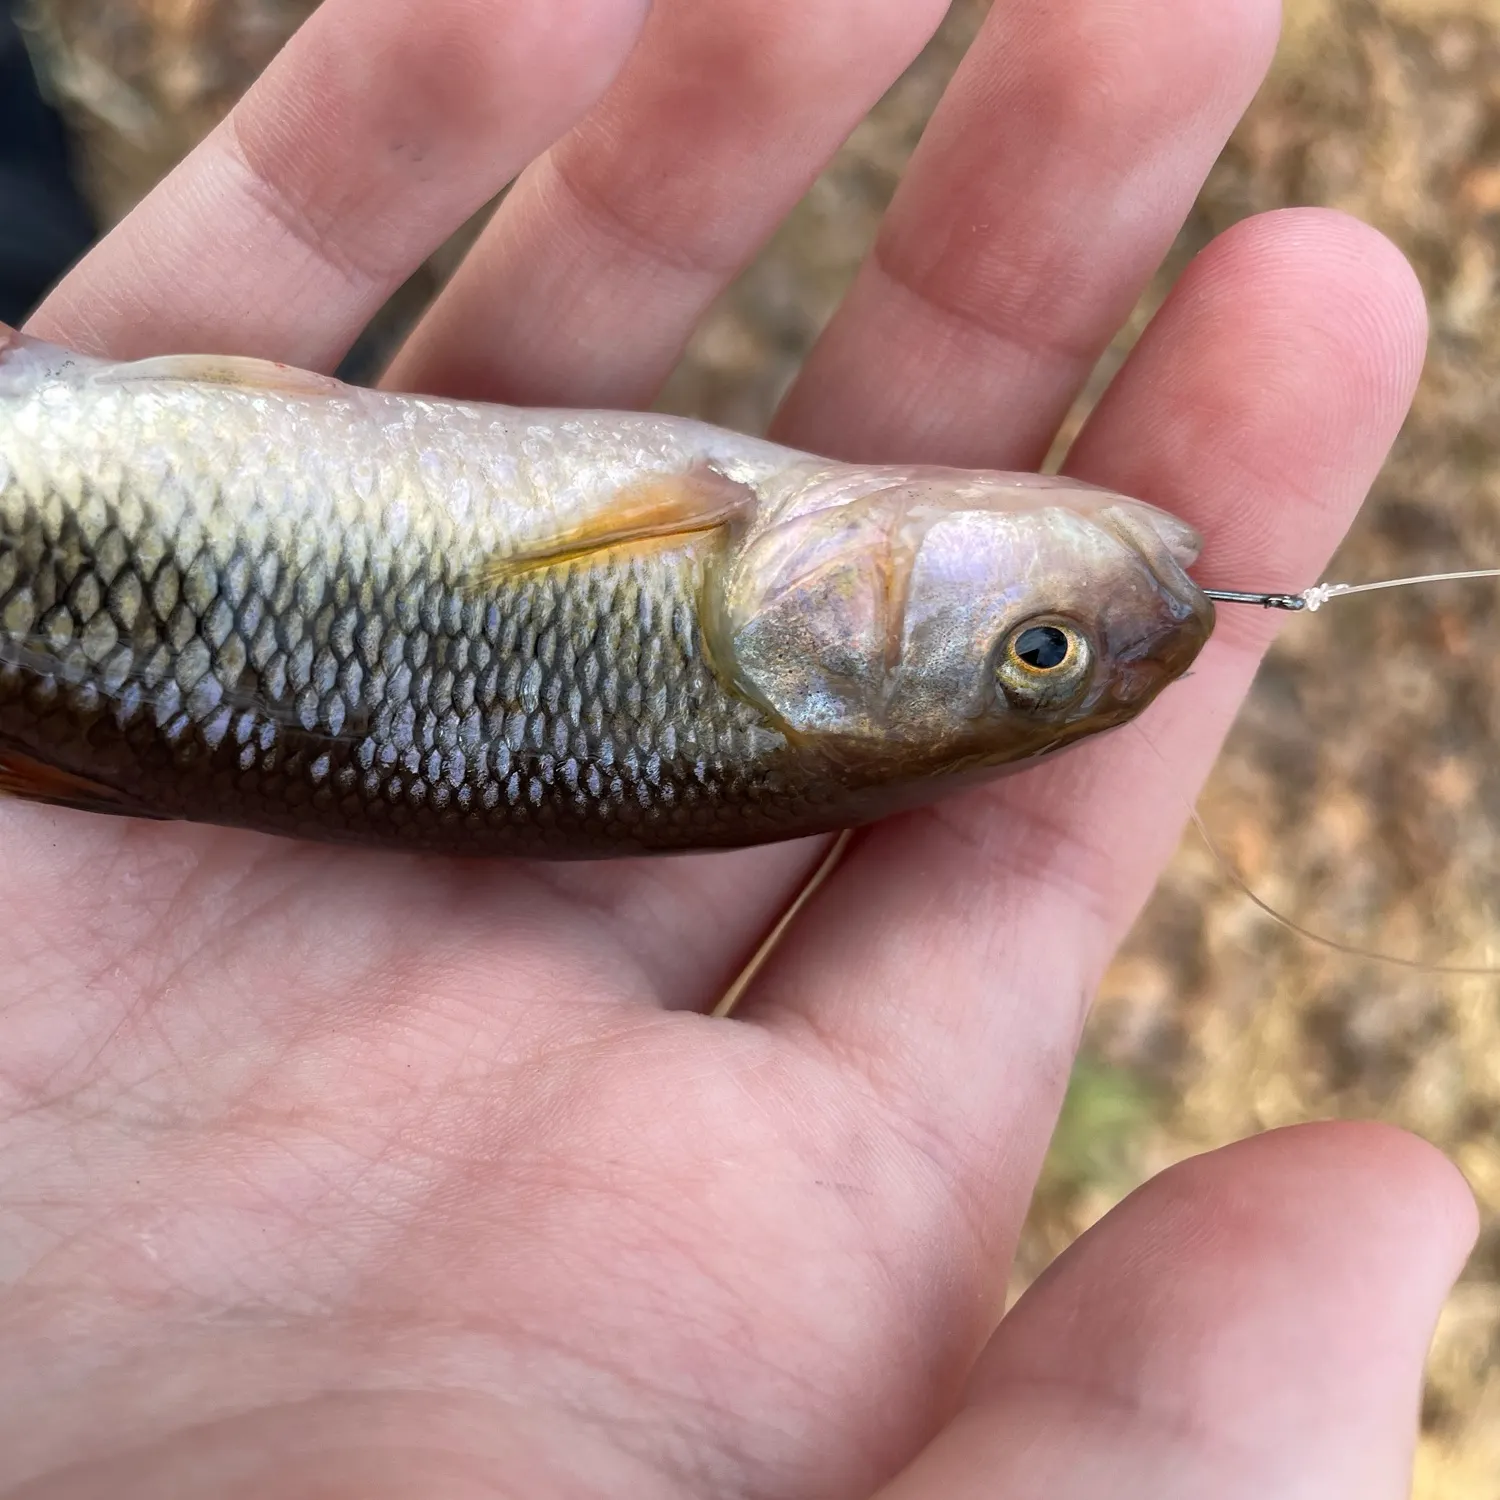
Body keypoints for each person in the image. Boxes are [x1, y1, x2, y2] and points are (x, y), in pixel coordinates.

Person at [0, 0, 1475, 1495]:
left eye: (1038, 654)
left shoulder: (716, 586)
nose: (1098, 622)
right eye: (1046, 650)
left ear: (829, 676)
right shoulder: (724, 651)